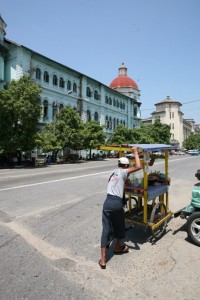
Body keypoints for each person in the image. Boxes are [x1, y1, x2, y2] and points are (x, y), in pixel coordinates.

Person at [99, 146, 141, 269]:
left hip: (107, 203)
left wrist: (124, 182)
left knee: (106, 229)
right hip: (117, 203)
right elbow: (138, 166)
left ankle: (103, 260)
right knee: (120, 225)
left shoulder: (113, 173)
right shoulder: (124, 172)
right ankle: (118, 247)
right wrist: (135, 152)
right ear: (127, 166)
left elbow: (117, 183)